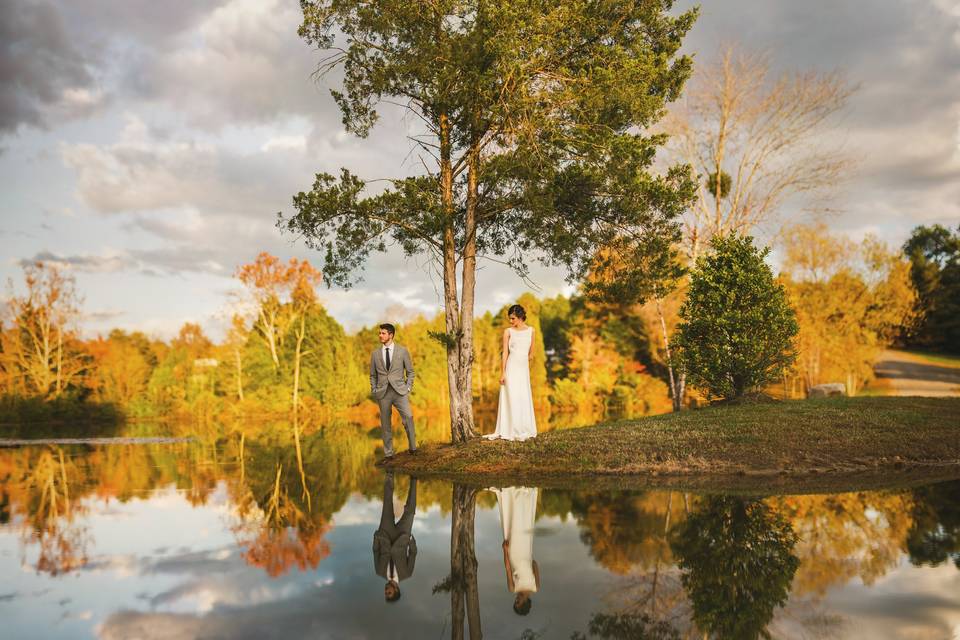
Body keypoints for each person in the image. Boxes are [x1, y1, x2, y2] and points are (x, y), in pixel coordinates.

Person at [485, 304, 537, 441]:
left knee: (523, 396)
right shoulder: (508, 332)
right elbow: (505, 353)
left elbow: (532, 352)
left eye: (513, 318)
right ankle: (511, 428)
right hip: (511, 367)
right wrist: (503, 373)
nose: (511, 321)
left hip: (523, 369)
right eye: (510, 318)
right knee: (512, 396)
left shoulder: (531, 331)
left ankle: (524, 427)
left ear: (520, 317)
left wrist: (526, 359)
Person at [370, 323, 417, 459]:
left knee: (408, 418)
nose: (380, 335)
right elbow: (372, 375)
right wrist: (374, 390)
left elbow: (410, 372)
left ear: (391, 335)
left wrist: (408, 387)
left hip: (400, 392)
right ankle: (388, 454)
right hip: (382, 393)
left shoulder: (402, 351)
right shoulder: (375, 354)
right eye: (379, 333)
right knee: (385, 424)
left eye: (383, 333)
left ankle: (413, 449)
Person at [493, 486, 540, 615]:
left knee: (512, 525)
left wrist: (505, 550)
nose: (516, 600)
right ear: (525, 603)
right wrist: (527, 560)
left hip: (512, 552)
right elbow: (535, 564)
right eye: (518, 603)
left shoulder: (512, 588)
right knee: (523, 524)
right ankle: (524, 494)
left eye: (515, 602)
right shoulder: (535, 587)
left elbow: (508, 569)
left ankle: (510, 494)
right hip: (525, 550)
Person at [373, 472, 418, 602]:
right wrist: (411, 542)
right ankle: (414, 477)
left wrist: (376, 539)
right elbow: (413, 554)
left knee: (387, 503)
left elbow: (376, 552)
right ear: (396, 590)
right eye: (389, 593)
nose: (386, 591)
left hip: (385, 535)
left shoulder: (379, 571)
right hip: (402, 538)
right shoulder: (407, 574)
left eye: (385, 593)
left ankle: (389, 473)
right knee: (410, 511)